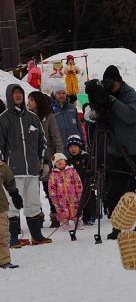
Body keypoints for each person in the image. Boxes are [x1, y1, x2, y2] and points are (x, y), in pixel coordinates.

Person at [92, 65, 136, 239]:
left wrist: (112, 101)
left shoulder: (130, 94)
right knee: (117, 190)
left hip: (135, 151)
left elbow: (131, 115)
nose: (109, 87)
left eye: (111, 83)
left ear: (119, 81)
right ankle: (118, 226)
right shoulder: (110, 96)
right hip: (116, 151)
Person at [0, 84, 49, 245]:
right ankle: (13, 238)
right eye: (14, 93)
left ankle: (37, 235)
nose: (18, 95)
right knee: (13, 205)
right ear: (9, 96)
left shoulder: (33, 118)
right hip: (13, 171)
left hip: (32, 170)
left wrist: (44, 162)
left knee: (34, 203)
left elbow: (42, 142)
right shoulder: (3, 118)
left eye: (20, 92)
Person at [28, 89, 64, 226]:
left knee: (50, 190)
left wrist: (59, 157)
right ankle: (37, 216)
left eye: (31, 100)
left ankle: (55, 215)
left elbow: (56, 137)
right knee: (33, 191)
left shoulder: (49, 117)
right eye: (29, 100)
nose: (29, 103)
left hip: (47, 158)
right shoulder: (26, 117)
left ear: (38, 101)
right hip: (31, 158)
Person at [47, 152, 83, 231]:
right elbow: (51, 188)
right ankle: (65, 227)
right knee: (62, 213)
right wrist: (54, 199)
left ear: (65, 161)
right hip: (61, 200)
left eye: (61, 160)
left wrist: (79, 194)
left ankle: (79, 225)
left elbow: (78, 183)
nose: (59, 162)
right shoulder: (53, 175)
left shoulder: (72, 171)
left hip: (73, 198)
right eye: (56, 162)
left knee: (76, 211)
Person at [65, 135, 97, 225]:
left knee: (89, 198)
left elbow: (93, 168)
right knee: (80, 200)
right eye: (70, 147)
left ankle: (93, 215)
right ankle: (84, 216)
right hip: (75, 184)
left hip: (87, 181)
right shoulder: (69, 160)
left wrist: (92, 176)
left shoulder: (86, 157)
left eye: (75, 146)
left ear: (79, 147)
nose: (73, 149)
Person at [0, 160, 23, 267]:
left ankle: (3, 260)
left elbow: (9, 181)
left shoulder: (1, 166)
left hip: (0, 207)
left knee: (2, 234)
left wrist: (14, 194)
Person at [51, 81, 84, 147]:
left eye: (63, 93)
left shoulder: (72, 107)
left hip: (75, 144)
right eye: (59, 93)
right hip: (60, 146)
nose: (61, 95)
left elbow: (79, 125)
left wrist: (82, 139)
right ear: (55, 95)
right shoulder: (51, 109)